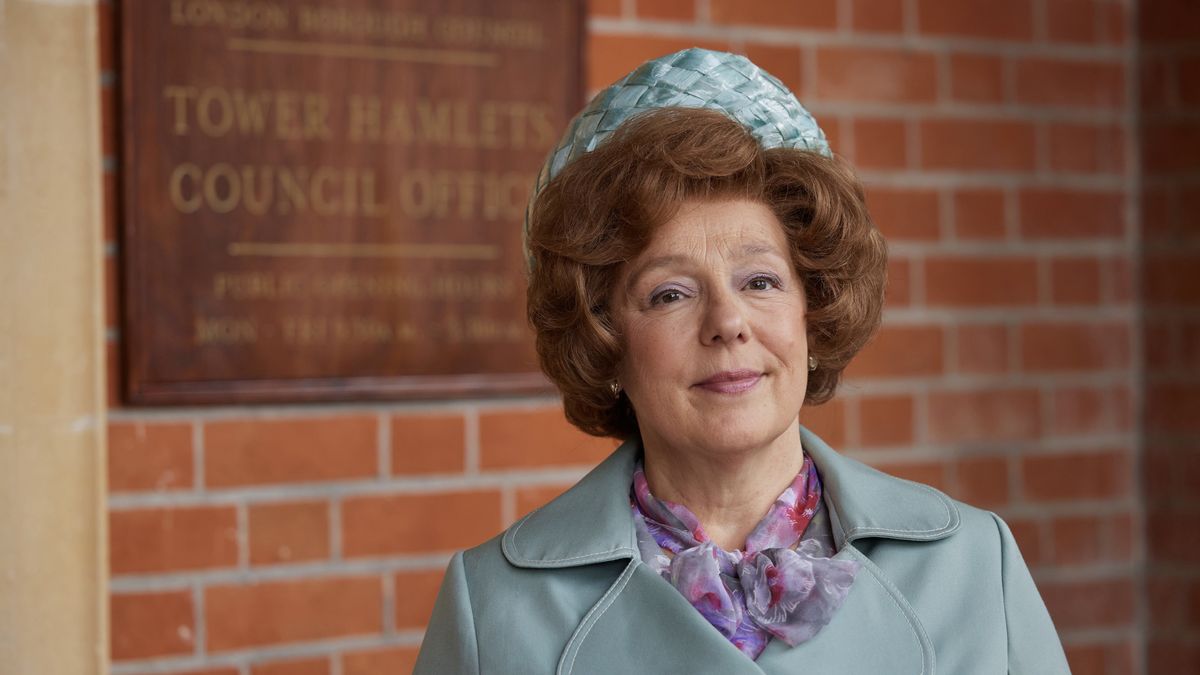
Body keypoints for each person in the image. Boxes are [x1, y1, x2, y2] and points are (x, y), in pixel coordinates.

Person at [414, 48, 1070, 674]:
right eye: (670, 293)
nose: (727, 322)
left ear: (813, 309)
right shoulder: (492, 604)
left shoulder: (977, 565)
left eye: (760, 281)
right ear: (606, 337)